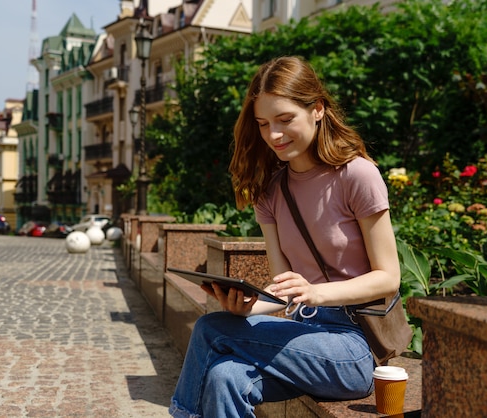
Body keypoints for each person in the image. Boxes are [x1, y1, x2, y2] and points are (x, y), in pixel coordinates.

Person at [169, 56, 403, 418]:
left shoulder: (357, 176)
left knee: (209, 328)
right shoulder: (271, 192)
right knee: (223, 377)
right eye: (263, 124)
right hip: (300, 334)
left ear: (318, 110)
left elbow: (389, 277)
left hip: (352, 345)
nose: (273, 135)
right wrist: (247, 307)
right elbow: (282, 293)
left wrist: (316, 293)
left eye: (284, 119)